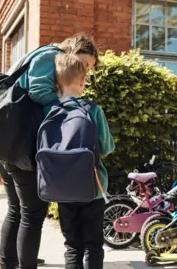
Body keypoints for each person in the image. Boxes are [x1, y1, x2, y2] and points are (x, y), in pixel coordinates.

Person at [0, 33, 99, 269]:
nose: (85, 71)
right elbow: (38, 91)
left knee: (17, 210)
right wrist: (68, 112)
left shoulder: (42, 55)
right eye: (85, 64)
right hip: (20, 145)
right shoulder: (52, 55)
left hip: (8, 142)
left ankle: (9, 263)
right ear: (75, 49)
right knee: (32, 212)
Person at [53, 53, 114, 269]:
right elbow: (107, 147)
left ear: (57, 82)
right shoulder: (94, 110)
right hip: (92, 188)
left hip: (62, 190)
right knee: (94, 245)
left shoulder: (49, 111)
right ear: (83, 81)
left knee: (72, 246)